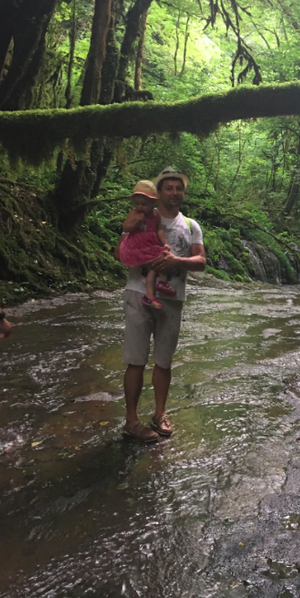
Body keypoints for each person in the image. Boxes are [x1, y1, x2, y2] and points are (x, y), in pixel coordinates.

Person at [117, 167, 206, 443]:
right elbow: (120, 251)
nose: (175, 193)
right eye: (169, 188)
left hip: (172, 298)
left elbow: (201, 261)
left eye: (179, 188)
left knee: (164, 362)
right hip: (137, 294)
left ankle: (159, 414)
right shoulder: (142, 215)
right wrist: (145, 257)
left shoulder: (191, 225)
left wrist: (176, 261)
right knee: (136, 360)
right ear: (158, 193)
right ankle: (132, 421)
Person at [119, 180, 175, 310]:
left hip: (150, 245)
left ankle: (157, 288)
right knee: (154, 265)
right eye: (137, 203)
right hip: (137, 245)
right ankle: (153, 292)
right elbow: (126, 228)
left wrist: (165, 243)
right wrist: (136, 222)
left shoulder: (156, 214)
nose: (140, 207)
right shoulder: (134, 213)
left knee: (160, 260)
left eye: (143, 204)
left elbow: (159, 230)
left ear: (152, 203)